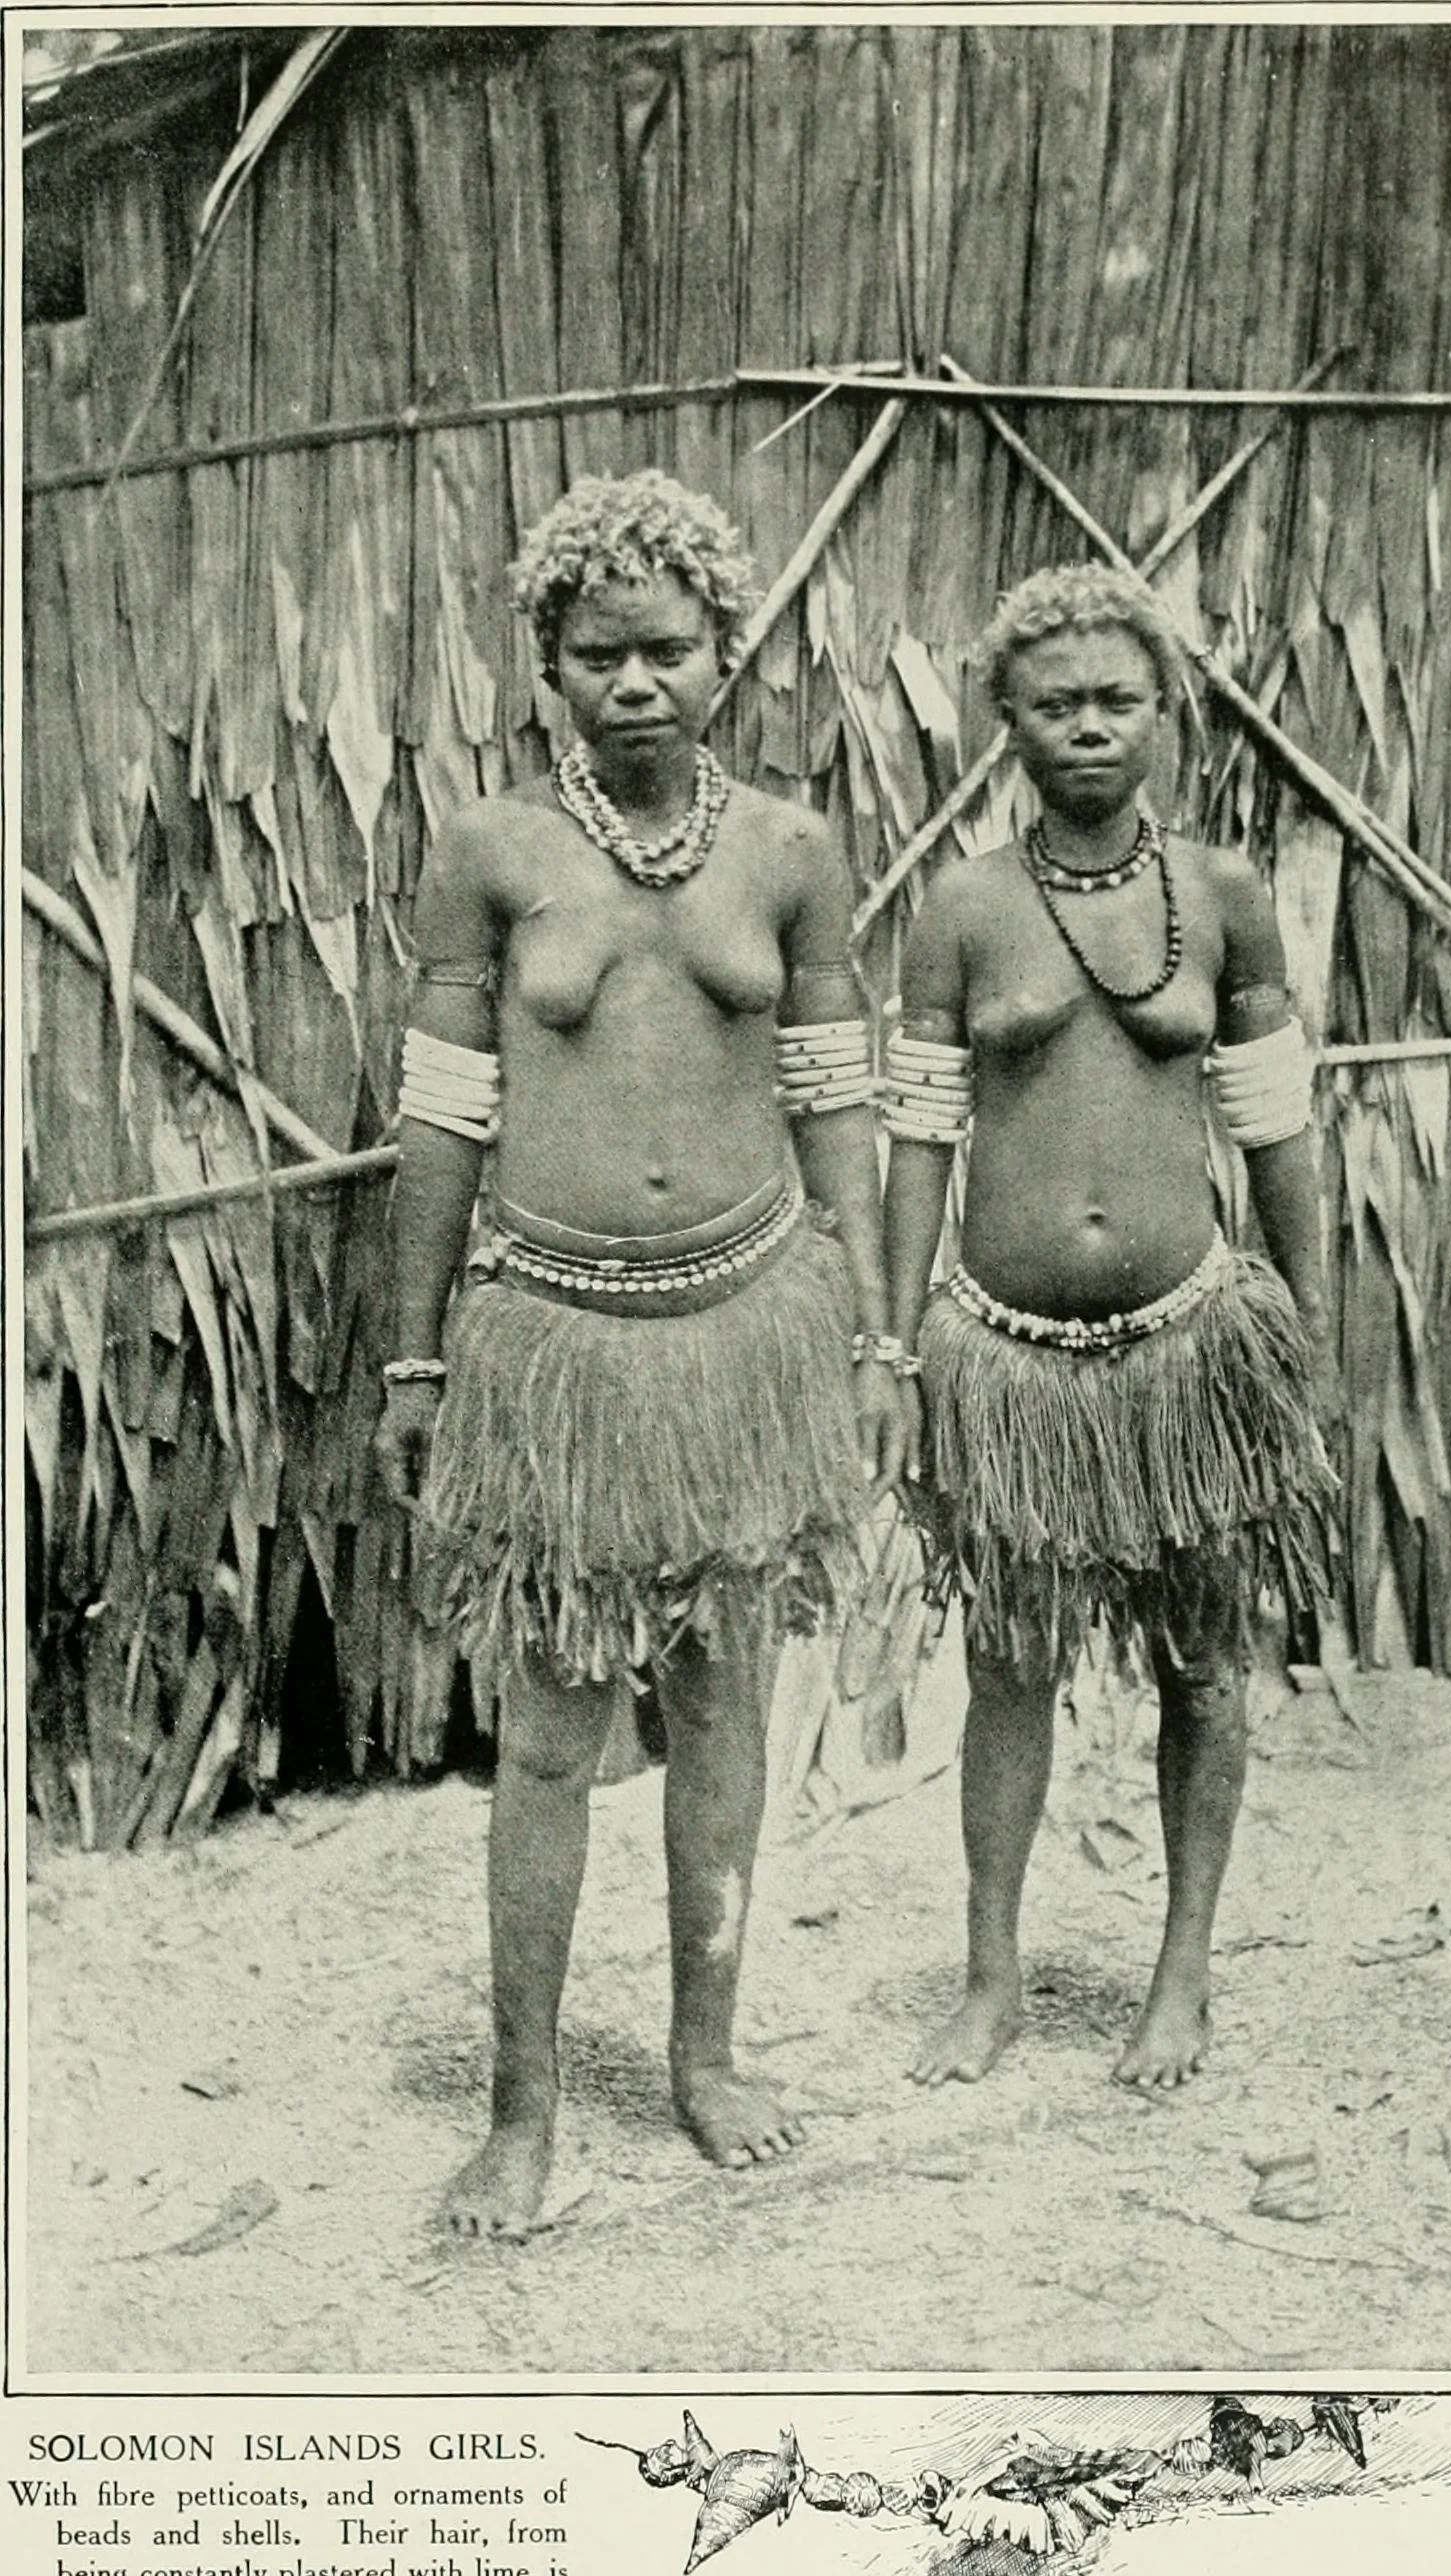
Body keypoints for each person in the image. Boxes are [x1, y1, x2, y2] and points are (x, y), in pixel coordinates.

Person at [375, 469, 907, 2235]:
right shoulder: (493, 853)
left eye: (666, 650)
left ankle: (703, 2058)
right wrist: (414, 1363)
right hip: (554, 1346)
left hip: (749, 1328)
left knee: (726, 1707)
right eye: (595, 654)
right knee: (546, 1735)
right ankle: (522, 2111)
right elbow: (441, 1119)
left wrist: (870, 1330)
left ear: (725, 656)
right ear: (546, 664)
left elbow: (839, 1094)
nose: (632, 684)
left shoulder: (792, 852)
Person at [881, 562, 1338, 2094]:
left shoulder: (1218, 898)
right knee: (1007, 1664)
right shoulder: (959, 908)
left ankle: (1182, 1976)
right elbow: (917, 1141)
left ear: (1165, 713)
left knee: (1204, 1666)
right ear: (1002, 718)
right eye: (1054, 700)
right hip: (1004, 1359)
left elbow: (1279, 1131)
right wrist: (893, 1349)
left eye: (1116, 698)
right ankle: (993, 1978)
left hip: (1192, 1350)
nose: (1087, 726)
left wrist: (1308, 1342)